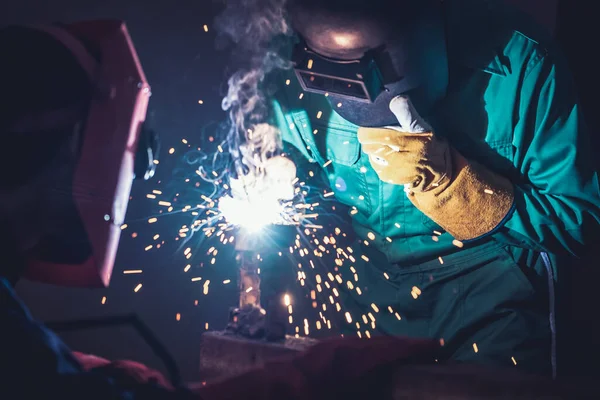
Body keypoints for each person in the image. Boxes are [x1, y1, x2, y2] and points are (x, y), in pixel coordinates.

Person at [270, 0, 600, 378]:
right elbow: (303, 171)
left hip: (489, 298)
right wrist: (282, 177)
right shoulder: (293, 59)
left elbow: (581, 221)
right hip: (362, 299)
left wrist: (457, 186)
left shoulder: (521, 62)